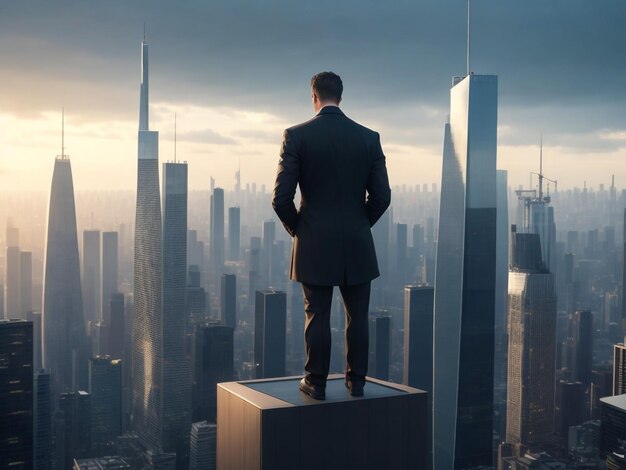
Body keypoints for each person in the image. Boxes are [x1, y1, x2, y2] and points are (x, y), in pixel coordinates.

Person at [272, 71, 391, 400]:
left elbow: (281, 199)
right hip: (356, 241)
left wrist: (301, 229)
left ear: (314, 97)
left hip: (314, 242)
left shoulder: (296, 137)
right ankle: (357, 382)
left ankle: (316, 382)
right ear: (341, 96)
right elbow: (382, 197)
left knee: (317, 314)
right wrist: (358, 224)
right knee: (358, 316)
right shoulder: (369, 138)